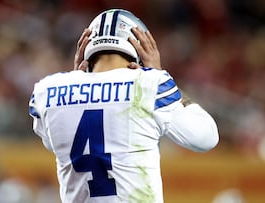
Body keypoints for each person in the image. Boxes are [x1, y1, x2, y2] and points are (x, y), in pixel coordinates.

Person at [29, 8, 219, 203]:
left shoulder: (47, 90)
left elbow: (54, 142)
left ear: (86, 48)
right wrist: (160, 75)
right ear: (139, 50)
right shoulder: (149, 84)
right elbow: (207, 138)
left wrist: (78, 80)